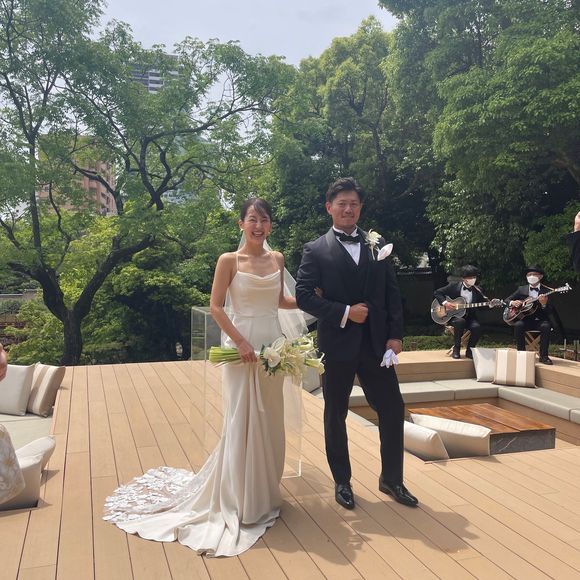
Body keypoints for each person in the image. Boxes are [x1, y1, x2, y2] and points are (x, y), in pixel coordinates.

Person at [104, 198, 301, 557]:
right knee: (242, 419)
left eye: (264, 220)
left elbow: (280, 301)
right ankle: (240, 499)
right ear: (241, 224)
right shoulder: (229, 260)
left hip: (273, 345)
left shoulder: (278, 258)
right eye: (252, 219)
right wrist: (240, 342)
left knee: (270, 419)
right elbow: (216, 306)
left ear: (271, 225)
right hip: (241, 347)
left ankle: (265, 493)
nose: (258, 226)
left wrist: (312, 298)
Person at [296, 177, 418, 510]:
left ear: (360, 207)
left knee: (392, 408)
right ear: (329, 207)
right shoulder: (315, 250)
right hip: (336, 344)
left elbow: (392, 293)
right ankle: (342, 481)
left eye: (354, 204)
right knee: (335, 413)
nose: (348, 209)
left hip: (377, 344)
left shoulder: (377, 244)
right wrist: (346, 312)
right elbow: (303, 296)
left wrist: (396, 335)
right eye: (342, 204)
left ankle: (392, 479)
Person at [433, 265, 485, 359]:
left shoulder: (478, 290)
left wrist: (490, 305)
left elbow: (482, 307)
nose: (473, 279)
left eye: (474, 277)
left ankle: (470, 351)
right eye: (470, 277)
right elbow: (437, 292)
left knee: (477, 327)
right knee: (460, 321)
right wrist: (445, 303)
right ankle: (456, 349)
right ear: (464, 278)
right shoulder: (454, 286)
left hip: (470, 318)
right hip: (453, 316)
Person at [506, 266, 553, 365]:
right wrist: (513, 302)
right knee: (518, 325)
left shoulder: (546, 291)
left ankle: (544, 356)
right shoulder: (521, 289)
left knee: (546, 326)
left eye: (534, 274)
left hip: (540, 320)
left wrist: (544, 304)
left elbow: (550, 311)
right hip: (525, 319)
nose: (531, 276)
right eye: (529, 275)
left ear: (540, 276)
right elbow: (507, 300)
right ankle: (521, 355)